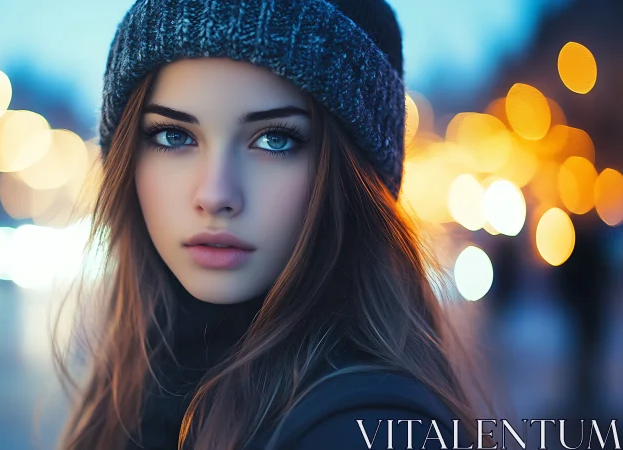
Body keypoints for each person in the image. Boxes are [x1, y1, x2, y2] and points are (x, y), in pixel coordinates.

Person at [54, 0, 497, 448]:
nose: (215, 195)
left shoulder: (367, 427)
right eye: (174, 136)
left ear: (350, 175)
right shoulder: (137, 388)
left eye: (274, 139)